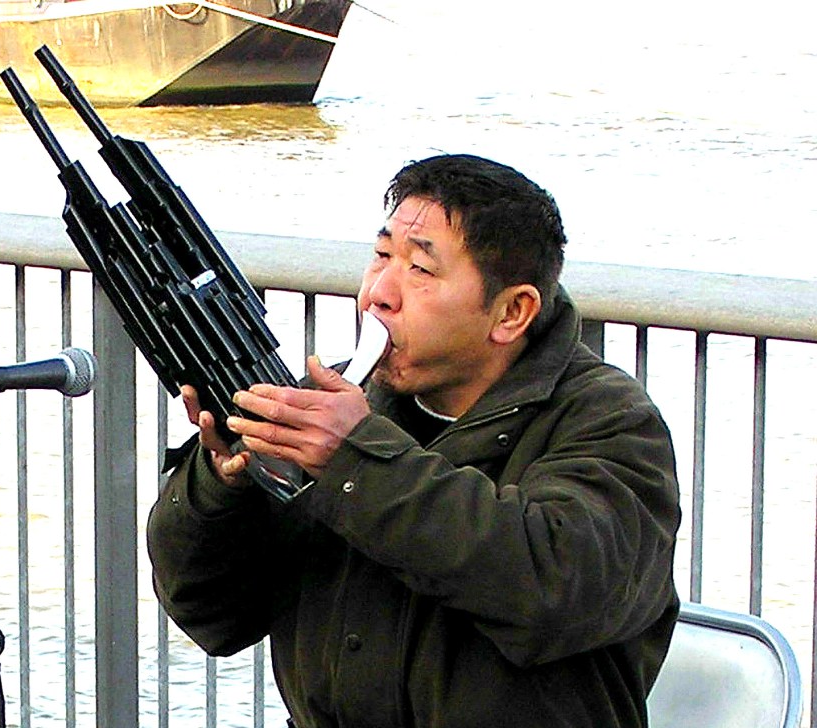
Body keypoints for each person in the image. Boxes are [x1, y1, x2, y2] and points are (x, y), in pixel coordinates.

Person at [147, 153, 681, 728]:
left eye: (420, 271)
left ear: (511, 312)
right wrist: (225, 483)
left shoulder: (612, 422)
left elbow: (556, 587)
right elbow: (211, 614)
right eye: (381, 256)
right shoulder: (342, 407)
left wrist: (353, 461)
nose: (378, 292)